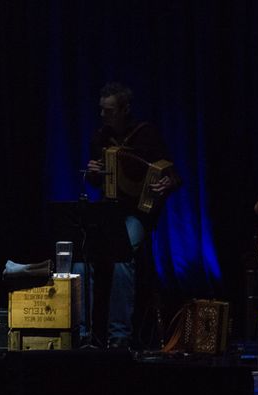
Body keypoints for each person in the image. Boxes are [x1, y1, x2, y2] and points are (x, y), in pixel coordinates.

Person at [75, 82, 180, 349]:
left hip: (138, 213)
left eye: (108, 111)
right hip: (108, 210)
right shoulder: (100, 139)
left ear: (125, 110)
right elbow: (97, 183)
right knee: (80, 259)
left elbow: (173, 175)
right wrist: (94, 173)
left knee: (121, 256)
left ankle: (119, 337)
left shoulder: (146, 136)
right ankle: (83, 333)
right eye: (101, 110)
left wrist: (166, 183)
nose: (103, 116)